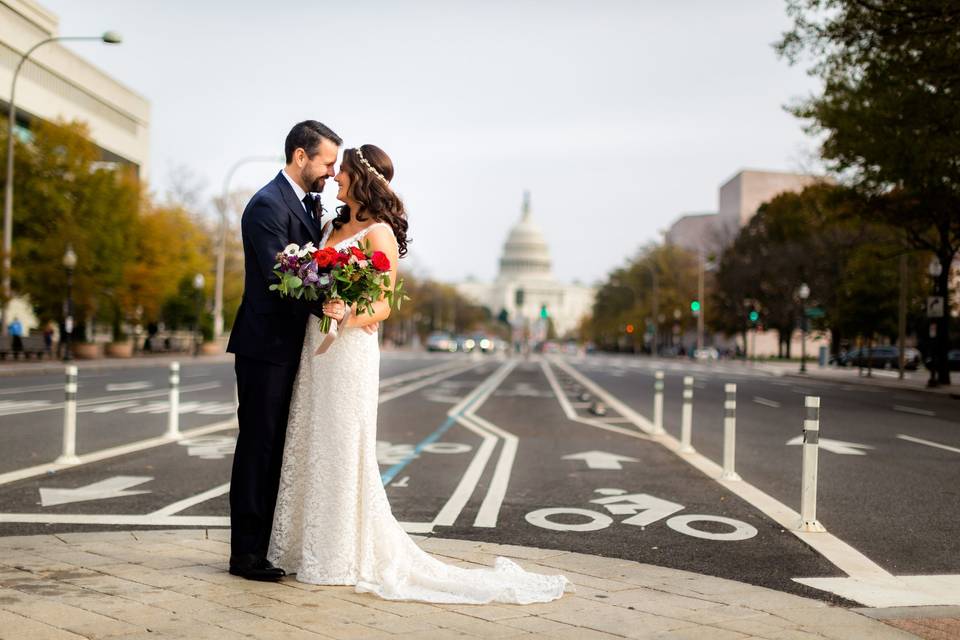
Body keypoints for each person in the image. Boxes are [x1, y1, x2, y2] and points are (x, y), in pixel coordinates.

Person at [267, 144, 569, 604]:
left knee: (344, 444)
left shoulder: (380, 233)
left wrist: (346, 312)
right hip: (317, 345)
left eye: (342, 172)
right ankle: (304, 549)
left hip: (350, 347)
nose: (336, 178)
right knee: (310, 438)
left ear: (359, 178)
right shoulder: (331, 225)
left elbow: (384, 304)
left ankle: (339, 554)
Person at [226, 120, 346, 581]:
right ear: (301, 156)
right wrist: (329, 299)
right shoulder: (265, 206)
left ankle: (268, 545)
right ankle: (246, 555)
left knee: (280, 447)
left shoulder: (309, 205)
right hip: (266, 345)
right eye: (327, 162)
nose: (332, 173)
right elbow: (284, 280)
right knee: (259, 446)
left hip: (294, 344)